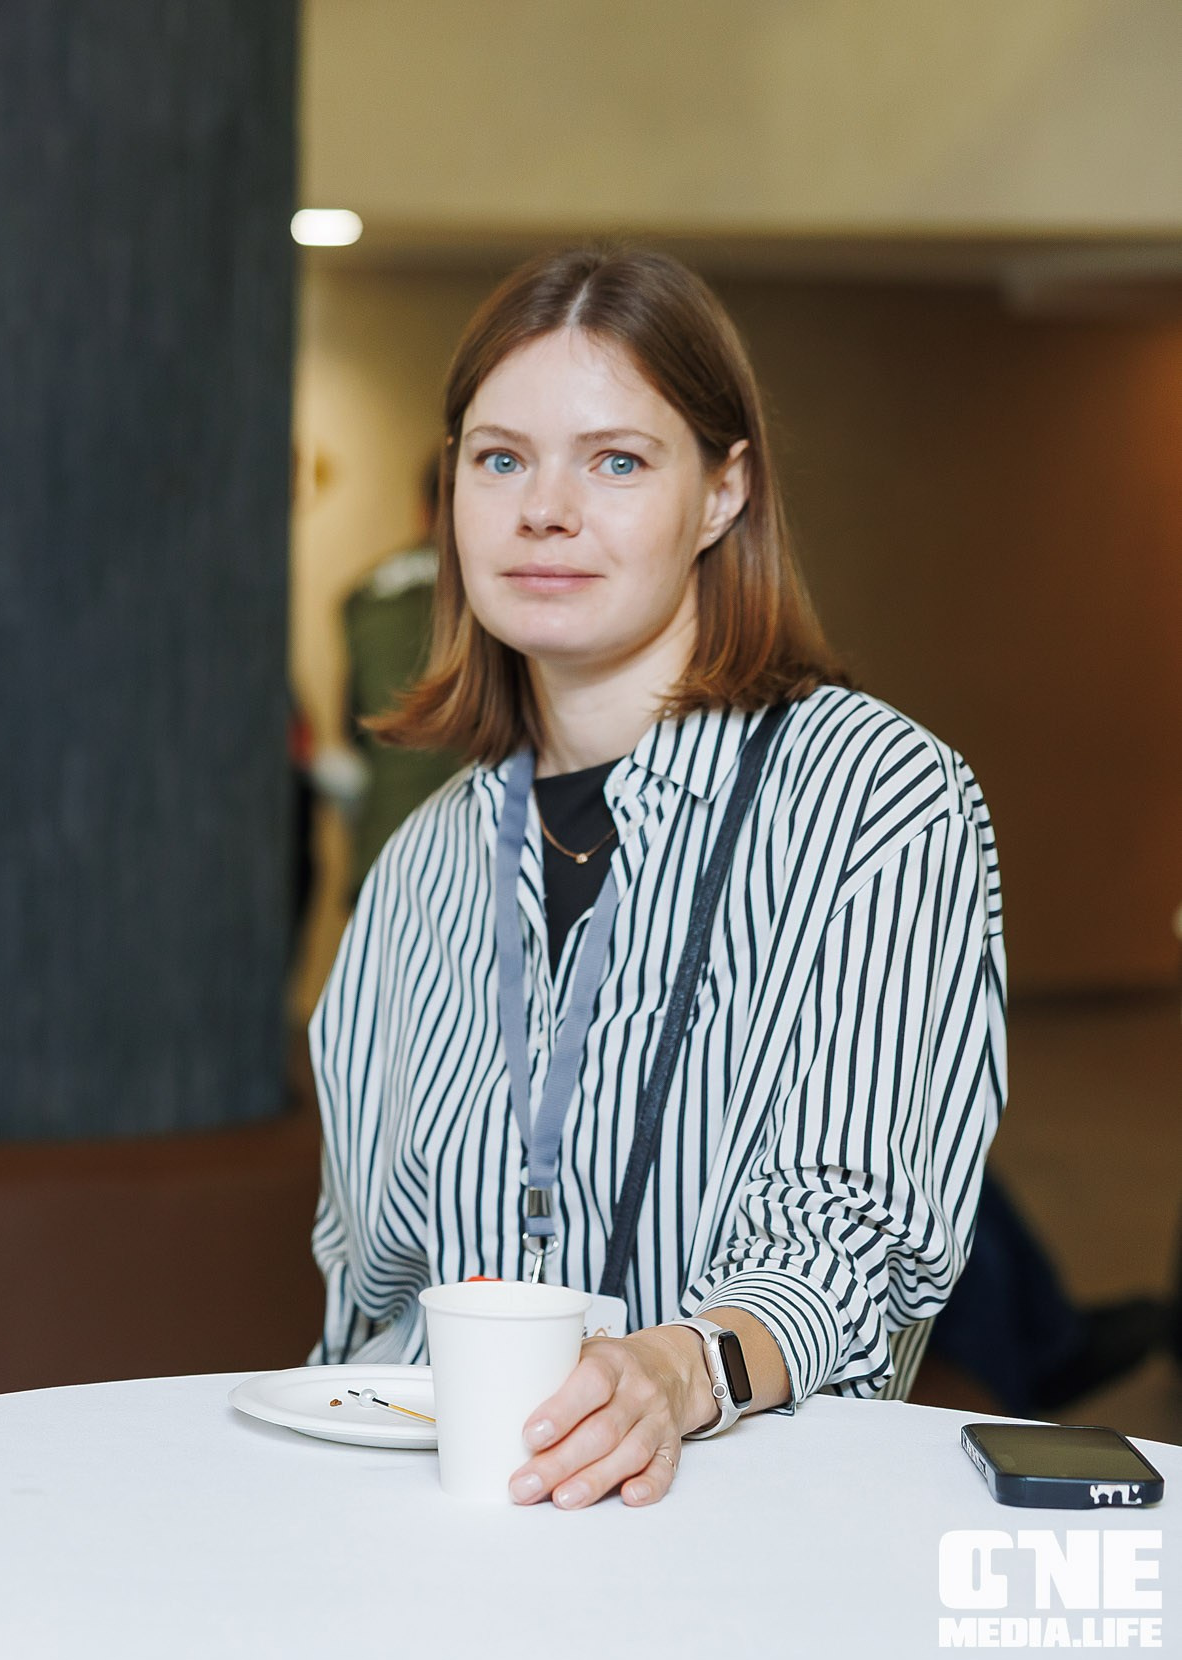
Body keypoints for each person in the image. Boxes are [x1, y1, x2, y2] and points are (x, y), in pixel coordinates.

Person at [310, 246, 1004, 1511]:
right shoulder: (421, 870)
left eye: (616, 460)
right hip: (441, 1537)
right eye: (499, 457)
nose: (543, 509)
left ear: (722, 491)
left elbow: (853, 1232)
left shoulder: (875, 799)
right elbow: (369, 1293)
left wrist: (675, 1369)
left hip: (727, 1543)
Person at [339, 458, 465, 896]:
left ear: (423, 509)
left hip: (383, 847)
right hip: (468, 852)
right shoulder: (493, 591)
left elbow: (354, 725)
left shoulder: (364, 593)